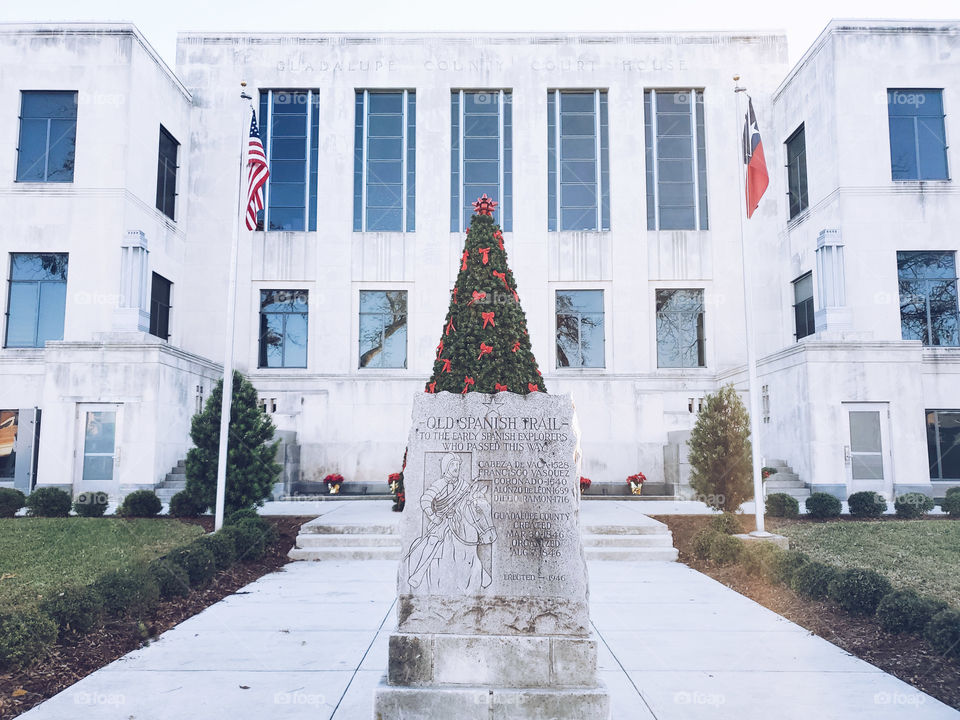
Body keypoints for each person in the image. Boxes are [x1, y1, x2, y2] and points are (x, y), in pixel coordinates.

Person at [406, 453, 496, 593]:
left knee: (469, 542)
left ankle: (481, 573)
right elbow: (425, 500)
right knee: (433, 542)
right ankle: (418, 573)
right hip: (441, 522)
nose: (456, 468)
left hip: (458, 521)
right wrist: (433, 516)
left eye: (457, 465)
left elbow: (468, 502)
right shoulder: (440, 484)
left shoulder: (463, 485)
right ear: (446, 467)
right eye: (453, 465)